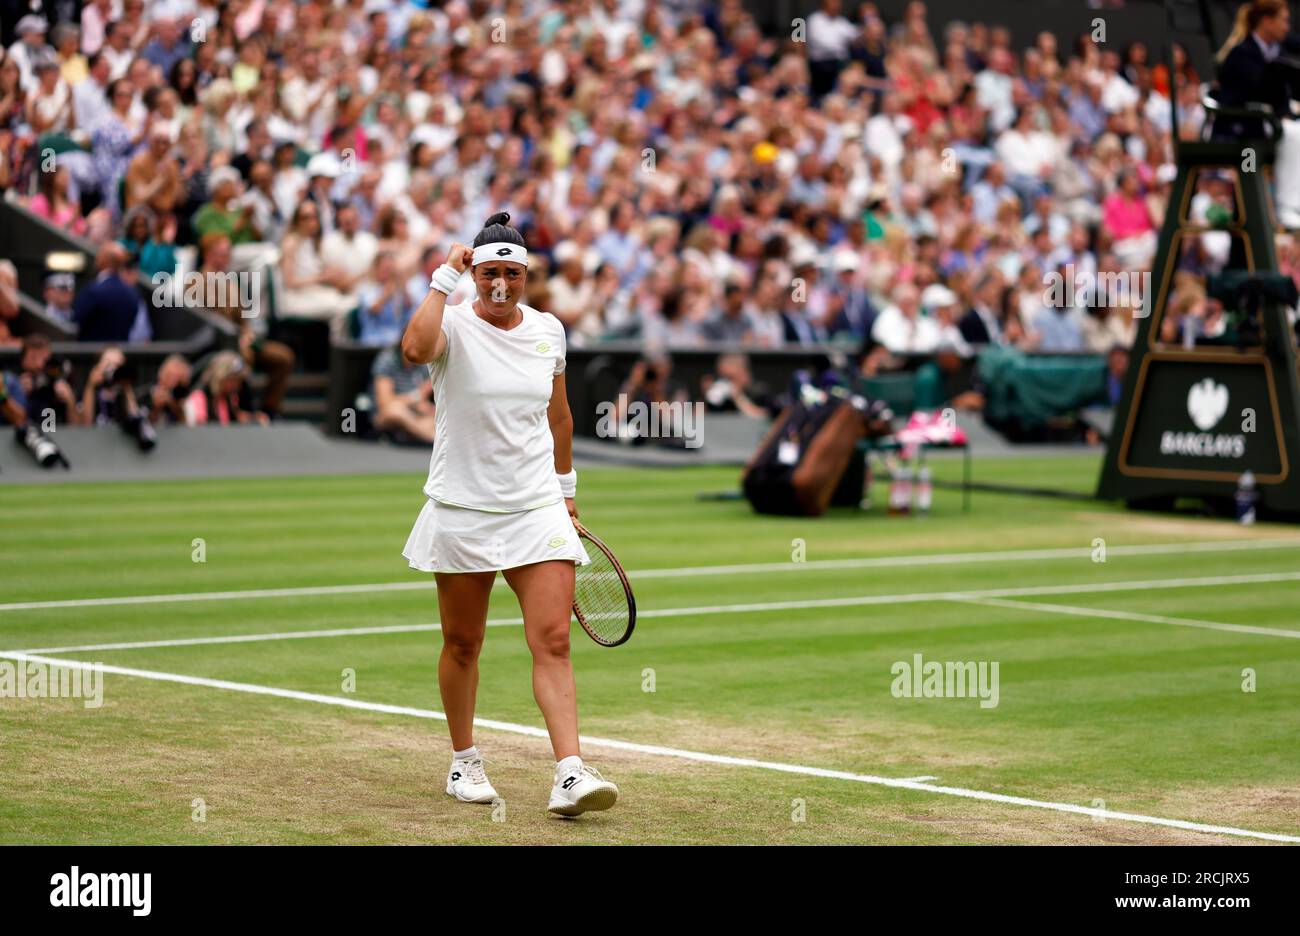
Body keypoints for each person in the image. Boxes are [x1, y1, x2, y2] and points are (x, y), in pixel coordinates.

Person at [398, 212, 618, 817]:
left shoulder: (550, 330)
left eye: (511, 274)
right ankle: (464, 761)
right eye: (489, 272)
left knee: (552, 641)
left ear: (526, 276)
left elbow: (560, 418)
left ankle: (569, 773)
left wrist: (567, 493)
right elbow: (414, 350)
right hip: (463, 507)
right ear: (475, 271)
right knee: (463, 643)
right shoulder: (452, 323)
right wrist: (444, 277)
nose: (499, 285)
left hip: (536, 506)